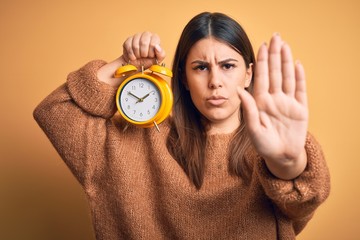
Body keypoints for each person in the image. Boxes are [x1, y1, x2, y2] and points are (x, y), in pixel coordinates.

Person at [34, 12, 330, 239]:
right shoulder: (137, 139)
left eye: (228, 66)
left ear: (248, 75)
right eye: (201, 68)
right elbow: (54, 111)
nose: (215, 81)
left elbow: (301, 204)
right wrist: (124, 62)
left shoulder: (275, 145)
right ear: (183, 80)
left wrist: (288, 162)